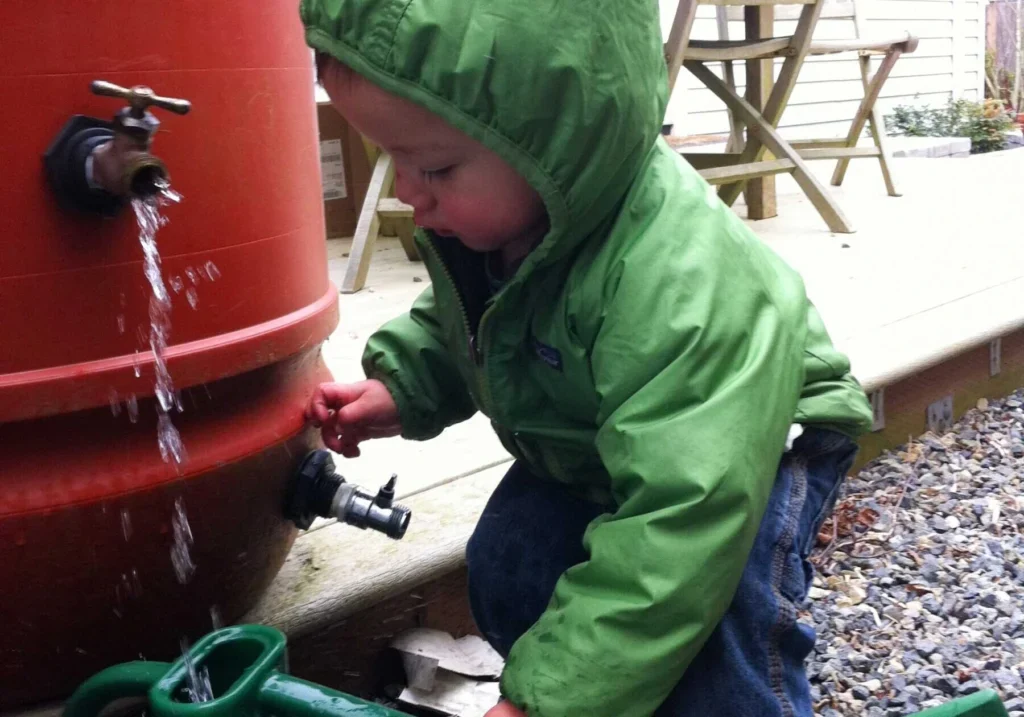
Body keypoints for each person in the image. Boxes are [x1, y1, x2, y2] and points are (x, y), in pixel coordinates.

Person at [300, 1, 874, 715]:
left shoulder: (678, 282)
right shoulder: (519, 223)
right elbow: (482, 320)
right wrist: (405, 385)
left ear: (552, 145)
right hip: (606, 436)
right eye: (394, 160)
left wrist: (547, 702)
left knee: (715, 630)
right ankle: (602, 684)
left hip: (744, 444)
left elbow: (682, 516)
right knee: (511, 560)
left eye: (436, 167)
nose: (409, 193)